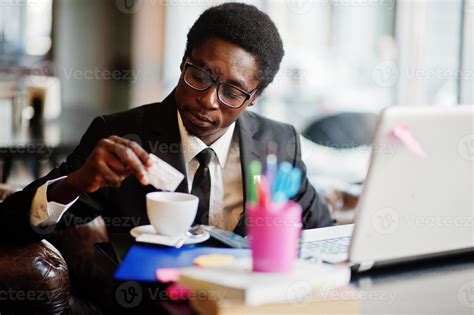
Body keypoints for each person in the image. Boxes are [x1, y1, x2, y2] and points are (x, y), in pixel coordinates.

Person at [0, 3, 332, 243]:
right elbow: (9, 224)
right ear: (182, 62)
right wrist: (74, 183)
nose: (207, 99)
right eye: (199, 75)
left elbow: (324, 234)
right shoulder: (119, 135)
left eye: (232, 92)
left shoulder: (279, 143)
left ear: (254, 97)